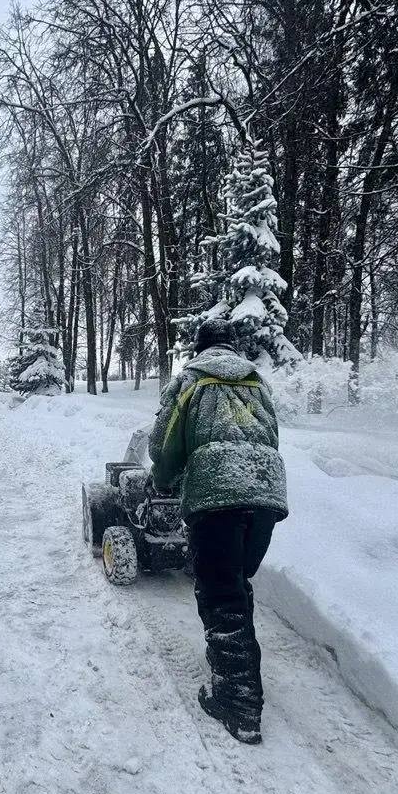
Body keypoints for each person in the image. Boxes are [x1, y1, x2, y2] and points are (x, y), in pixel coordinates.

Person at [148, 317, 288, 744]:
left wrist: (164, 481)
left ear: (199, 348)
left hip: (217, 492)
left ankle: (239, 705)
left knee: (221, 594)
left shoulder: (190, 380)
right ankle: (234, 667)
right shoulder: (257, 381)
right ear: (232, 348)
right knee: (236, 584)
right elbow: (271, 437)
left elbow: (164, 445)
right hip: (265, 493)